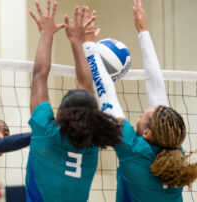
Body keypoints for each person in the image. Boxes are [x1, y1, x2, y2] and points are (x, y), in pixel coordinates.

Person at [83, 0, 197, 201]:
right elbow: (157, 90)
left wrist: (89, 46)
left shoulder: (136, 150)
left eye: (145, 114)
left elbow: (107, 96)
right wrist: (143, 31)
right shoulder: (173, 151)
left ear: (147, 133)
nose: (147, 108)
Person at [26, 1, 123, 201]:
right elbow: (84, 88)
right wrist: (75, 41)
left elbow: (39, 75)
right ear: (94, 117)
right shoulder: (92, 141)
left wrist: (50, 35)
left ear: (60, 114)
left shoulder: (47, 133)